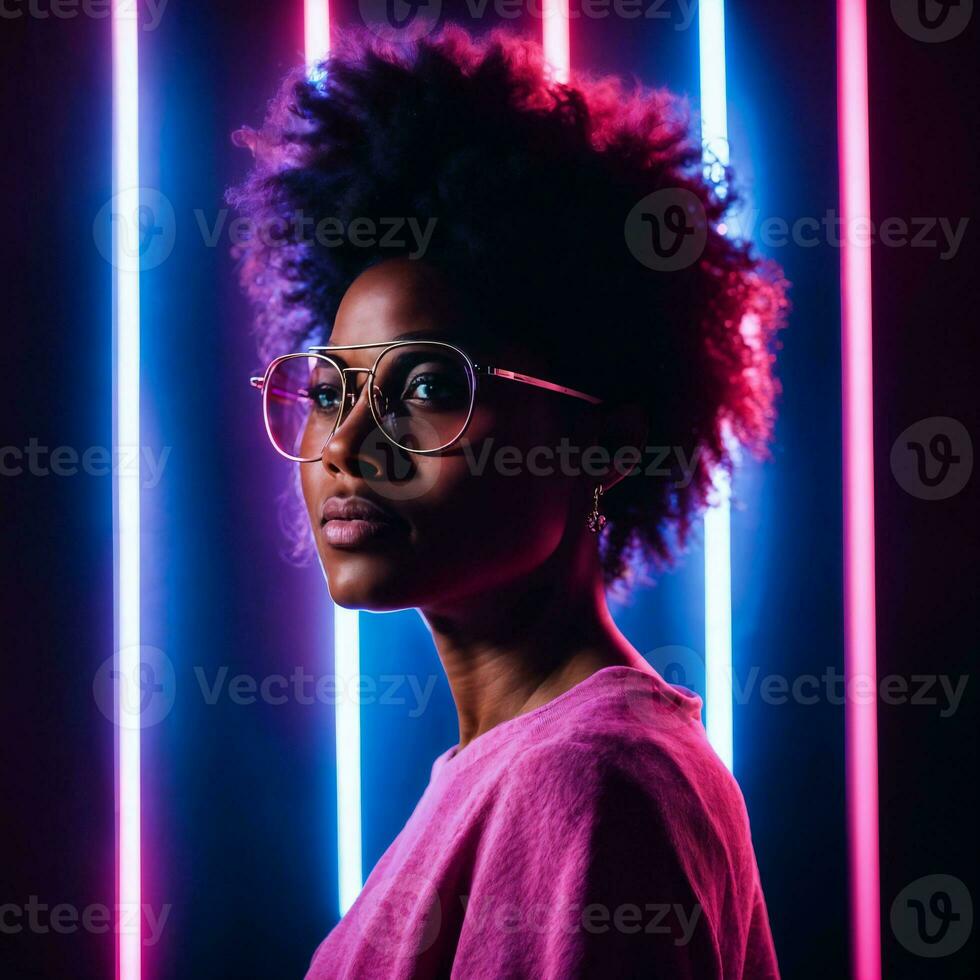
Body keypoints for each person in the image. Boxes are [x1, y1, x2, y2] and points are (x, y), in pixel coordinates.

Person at [230, 25, 787, 979]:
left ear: (606, 446)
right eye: (330, 392)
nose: (348, 447)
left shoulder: (585, 781)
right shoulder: (518, 767)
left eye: (428, 387)